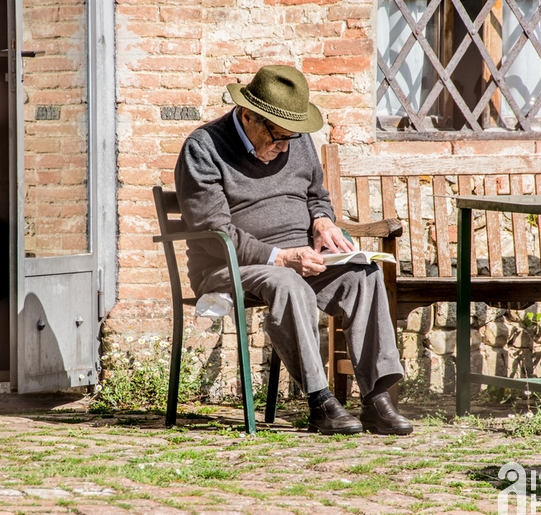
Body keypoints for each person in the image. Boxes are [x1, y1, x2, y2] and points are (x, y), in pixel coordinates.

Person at [174, 65, 412, 435]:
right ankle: (320, 402)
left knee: (363, 276)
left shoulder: (295, 138)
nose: (286, 147)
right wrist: (281, 257)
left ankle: (377, 399)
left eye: (292, 137)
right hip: (229, 264)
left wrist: (322, 221)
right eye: (278, 138)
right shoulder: (203, 148)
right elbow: (214, 231)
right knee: (287, 281)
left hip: (301, 257)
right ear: (249, 116)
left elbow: (317, 194)